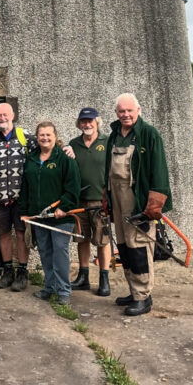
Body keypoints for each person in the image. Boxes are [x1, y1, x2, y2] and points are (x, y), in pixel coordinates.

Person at [105, 93, 172, 317]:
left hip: (137, 199)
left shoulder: (148, 134)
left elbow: (160, 169)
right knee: (124, 246)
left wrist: (154, 203)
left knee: (139, 246)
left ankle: (143, 296)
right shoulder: (115, 134)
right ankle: (134, 291)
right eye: (121, 111)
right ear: (116, 113)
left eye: (129, 111)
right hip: (117, 197)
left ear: (138, 110)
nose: (125, 114)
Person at [0, 102, 36, 292]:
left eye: (5, 115)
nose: (2, 118)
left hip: (21, 198)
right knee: (3, 234)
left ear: (13, 115)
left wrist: (67, 148)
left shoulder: (26, 137)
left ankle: (23, 272)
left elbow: (44, 152)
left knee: (20, 234)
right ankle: (8, 270)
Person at [20, 121, 80, 304]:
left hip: (60, 217)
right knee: (45, 252)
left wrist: (64, 207)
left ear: (55, 137)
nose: (45, 138)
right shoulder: (31, 159)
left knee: (59, 253)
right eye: (41, 135)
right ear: (37, 138)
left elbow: (73, 186)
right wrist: (24, 211)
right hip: (39, 216)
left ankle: (63, 291)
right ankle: (49, 287)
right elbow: (25, 188)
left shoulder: (64, 159)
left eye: (48, 135)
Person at [68, 107, 112, 296]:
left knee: (103, 240)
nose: (87, 124)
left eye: (90, 121)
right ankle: (83, 276)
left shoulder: (108, 142)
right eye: (83, 121)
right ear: (79, 124)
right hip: (79, 201)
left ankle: (104, 278)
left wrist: (110, 196)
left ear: (97, 122)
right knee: (81, 239)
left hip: (100, 200)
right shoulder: (74, 144)